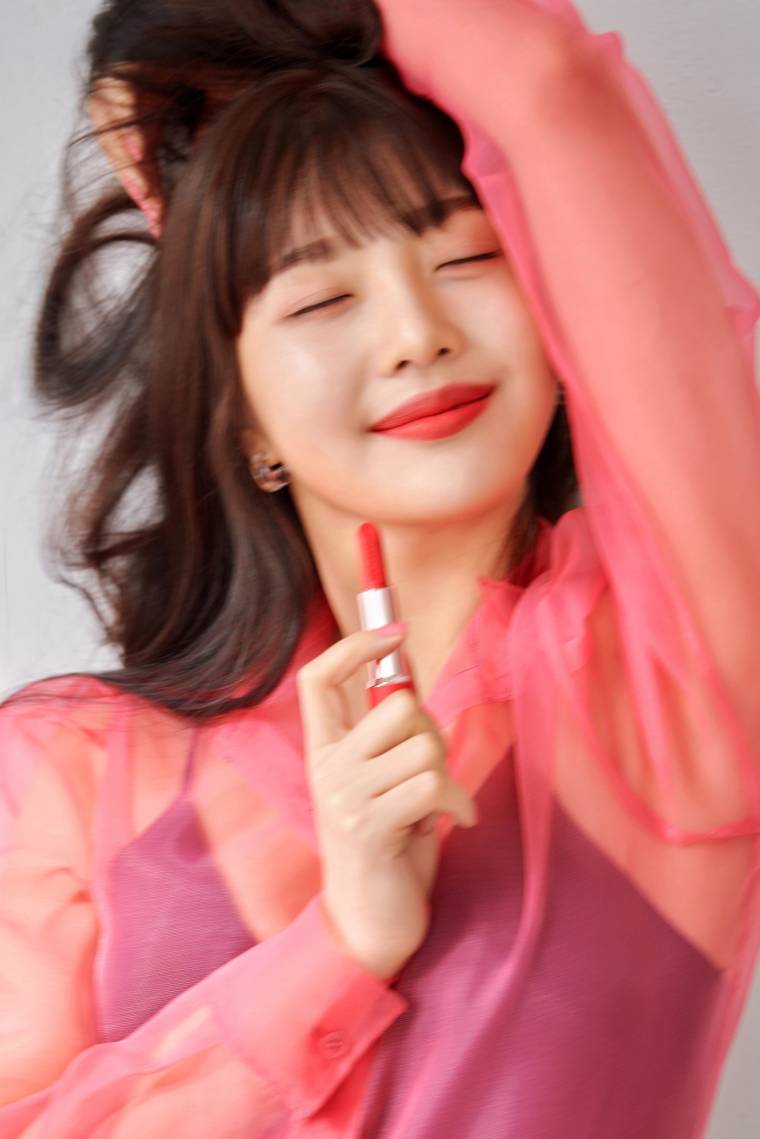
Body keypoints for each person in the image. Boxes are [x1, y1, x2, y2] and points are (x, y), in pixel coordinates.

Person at [1, 0, 759, 1135]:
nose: (416, 334)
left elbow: (547, 86)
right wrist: (340, 947)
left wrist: (196, 38)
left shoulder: (671, 686)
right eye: (322, 297)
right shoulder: (69, 765)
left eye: (467, 257)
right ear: (237, 411)